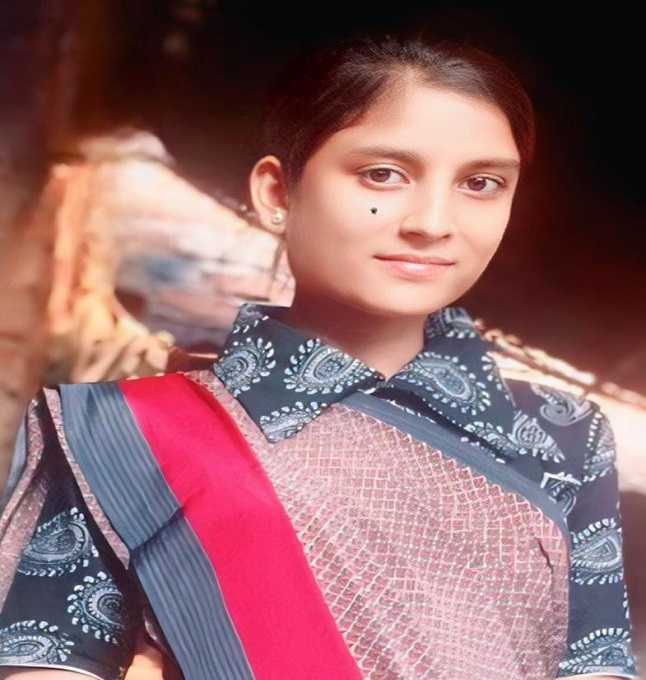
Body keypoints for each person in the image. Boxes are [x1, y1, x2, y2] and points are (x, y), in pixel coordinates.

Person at [0, 30, 639, 680]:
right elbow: (51, 664)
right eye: (383, 174)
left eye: (481, 183)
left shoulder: (560, 434)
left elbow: (596, 666)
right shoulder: (124, 436)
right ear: (277, 194)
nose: (432, 222)